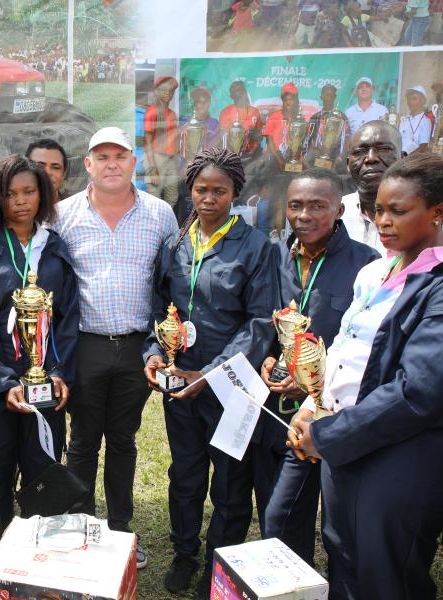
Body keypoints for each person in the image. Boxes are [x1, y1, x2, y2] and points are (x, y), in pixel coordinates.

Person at [292, 152, 443, 599]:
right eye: (378, 209)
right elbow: (342, 350)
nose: (384, 221)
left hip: (400, 455)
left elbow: (419, 391)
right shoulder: (377, 270)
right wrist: (311, 409)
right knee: (344, 555)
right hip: (347, 441)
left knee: (386, 575)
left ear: (437, 211)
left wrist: (331, 434)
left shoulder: (437, 283)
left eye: (399, 211)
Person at [144, 147, 278, 599]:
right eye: (201, 189)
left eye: (219, 191)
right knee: (185, 474)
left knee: (229, 481)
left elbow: (260, 322)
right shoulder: (176, 244)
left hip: (231, 389)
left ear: (235, 193)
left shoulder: (256, 246)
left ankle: (219, 566)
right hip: (181, 386)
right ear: (190, 190)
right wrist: (155, 354)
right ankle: (185, 554)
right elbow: (159, 309)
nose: (208, 198)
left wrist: (212, 373)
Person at [53, 127, 177, 569]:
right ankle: (82, 528)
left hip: (137, 348)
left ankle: (121, 532)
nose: (110, 164)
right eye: (101, 156)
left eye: (119, 156)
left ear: (133, 162)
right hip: (84, 345)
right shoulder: (62, 214)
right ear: (87, 164)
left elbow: (170, 281)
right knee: (83, 441)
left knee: (123, 440)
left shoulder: (161, 214)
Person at [255, 169, 379, 566]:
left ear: (339, 210)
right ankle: (298, 582)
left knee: (327, 522)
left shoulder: (368, 266)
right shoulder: (278, 255)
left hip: (332, 414)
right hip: (280, 410)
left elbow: (366, 347)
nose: (304, 215)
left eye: (317, 206)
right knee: (283, 515)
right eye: (295, 205)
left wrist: (313, 383)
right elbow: (270, 322)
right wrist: (270, 358)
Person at [0, 155, 79, 550]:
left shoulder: (55, 247)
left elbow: (67, 317)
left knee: (42, 472)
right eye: (10, 194)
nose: (21, 202)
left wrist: (60, 372)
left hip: (44, 383)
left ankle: (38, 561)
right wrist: (2, 382)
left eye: (29, 192)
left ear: (42, 195)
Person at [342, 119, 402, 255]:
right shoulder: (333, 214)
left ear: (403, 158)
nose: (371, 158)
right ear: (348, 164)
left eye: (384, 149)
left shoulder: (422, 217)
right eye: (359, 151)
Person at [143, 75, 180, 205]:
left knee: (173, 198)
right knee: (154, 200)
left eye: (171, 90)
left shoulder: (172, 113)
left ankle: (166, 224)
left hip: (171, 159)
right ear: (156, 91)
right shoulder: (152, 112)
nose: (168, 93)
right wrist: (152, 169)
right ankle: (155, 226)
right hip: (156, 158)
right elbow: (147, 143)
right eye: (164, 89)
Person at [306, 85, 350, 170]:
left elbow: (347, 140)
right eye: (326, 95)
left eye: (331, 95)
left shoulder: (342, 118)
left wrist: (340, 156)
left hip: (334, 156)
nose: (329, 98)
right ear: (321, 97)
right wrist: (313, 152)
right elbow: (309, 139)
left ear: (335, 97)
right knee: (306, 162)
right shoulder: (315, 117)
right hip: (317, 155)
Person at [263, 82, 303, 172]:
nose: (289, 103)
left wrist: (298, 158)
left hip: (292, 155)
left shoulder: (299, 119)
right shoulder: (274, 116)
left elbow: (301, 141)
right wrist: (278, 160)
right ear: (282, 100)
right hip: (274, 156)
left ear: (296, 100)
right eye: (286, 100)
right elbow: (269, 142)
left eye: (292, 99)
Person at [218, 80, 263, 158]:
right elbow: (223, 137)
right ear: (231, 96)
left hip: (251, 155)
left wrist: (256, 135)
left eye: (242, 90)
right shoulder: (226, 112)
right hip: (231, 156)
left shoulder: (255, 111)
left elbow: (259, 135)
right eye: (237, 91)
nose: (241, 93)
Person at [180, 87, 221, 159]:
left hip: (208, 164)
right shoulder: (185, 121)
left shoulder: (215, 123)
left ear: (209, 103)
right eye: (197, 101)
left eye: (204, 102)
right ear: (193, 103)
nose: (200, 105)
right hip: (187, 164)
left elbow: (218, 147)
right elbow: (182, 146)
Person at [25, 138, 69, 203]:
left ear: (64, 174)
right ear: (25, 170)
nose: (47, 172)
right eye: (39, 166)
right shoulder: (14, 209)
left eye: (56, 167)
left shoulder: (76, 210)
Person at [399, 85, 432, 154]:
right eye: (409, 99)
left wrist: (405, 158)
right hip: (399, 158)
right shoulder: (404, 120)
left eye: (414, 99)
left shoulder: (425, 121)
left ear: (422, 101)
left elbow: (423, 147)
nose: (410, 102)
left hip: (412, 161)